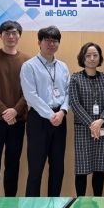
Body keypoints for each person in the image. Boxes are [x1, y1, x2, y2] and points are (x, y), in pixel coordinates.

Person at [0, 20, 30, 197]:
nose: (11, 36)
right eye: (7, 33)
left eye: (14, 33)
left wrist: (15, 110)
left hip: (18, 120)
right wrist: (5, 111)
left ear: (19, 35)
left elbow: (29, 91)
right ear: (0, 35)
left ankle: (10, 203)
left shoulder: (27, 61)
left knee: (13, 164)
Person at [20, 26, 69, 197]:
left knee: (57, 167)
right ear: (39, 43)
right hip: (38, 119)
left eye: (55, 41)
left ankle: (54, 206)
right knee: (36, 168)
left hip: (60, 118)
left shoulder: (63, 66)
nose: (51, 44)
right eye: (47, 40)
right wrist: (50, 115)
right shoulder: (29, 66)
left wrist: (62, 111)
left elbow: (68, 92)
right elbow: (30, 95)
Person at [69, 42, 104, 197]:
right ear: (82, 57)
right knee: (82, 169)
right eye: (88, 55)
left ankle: (98, 199)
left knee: (99, 168)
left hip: (102, 127)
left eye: (95, 55)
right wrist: (91, 123)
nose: (92, 58)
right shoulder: (75, 78)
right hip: (83, 128)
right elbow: (74, 103)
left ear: (100, 57)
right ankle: (79, 200)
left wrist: (101, 120)